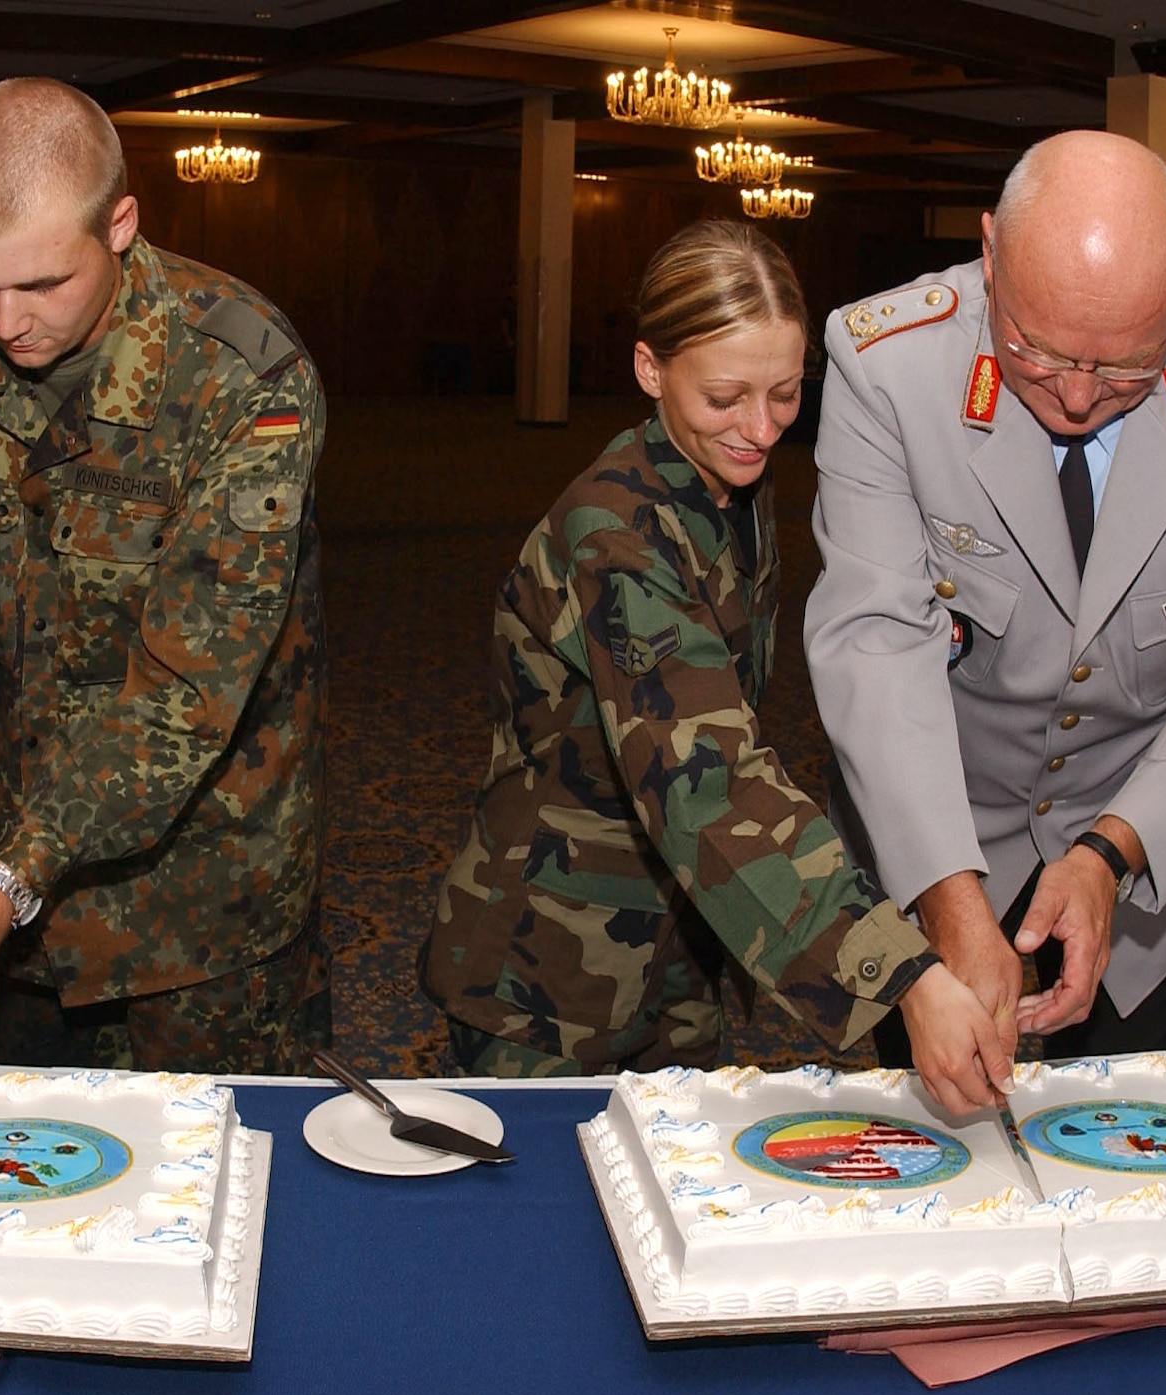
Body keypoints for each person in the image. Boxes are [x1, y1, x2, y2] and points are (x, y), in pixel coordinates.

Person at [420, 220, 1010, 1113]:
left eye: (785, 394)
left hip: (683, 942)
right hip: (548, 973)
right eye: (726, 397)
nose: (760, 428)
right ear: (651, 370)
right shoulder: (617, 534)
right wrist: (901, 975)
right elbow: (708, 781)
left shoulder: (723, 484)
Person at [0, 78, 329, 1074]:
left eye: (43, 284)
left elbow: (184, 689)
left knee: (221, 1183)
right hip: (22, 903)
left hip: (208, 904)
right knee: (40, 1170)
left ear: (120, 224)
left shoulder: (243, 376)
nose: (5, 320)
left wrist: (10, 874)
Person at [804, 130, 1166, 1062]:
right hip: (934, 818)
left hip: (1149, 832)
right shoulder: (885, 364)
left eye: (1129, 367)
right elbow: (876, 649)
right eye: (1037, 353)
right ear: (990, 252)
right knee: (936, 1140)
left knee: (1120, 1138)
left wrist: (1115, 849)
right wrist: (948, 896)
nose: (1080, 398)